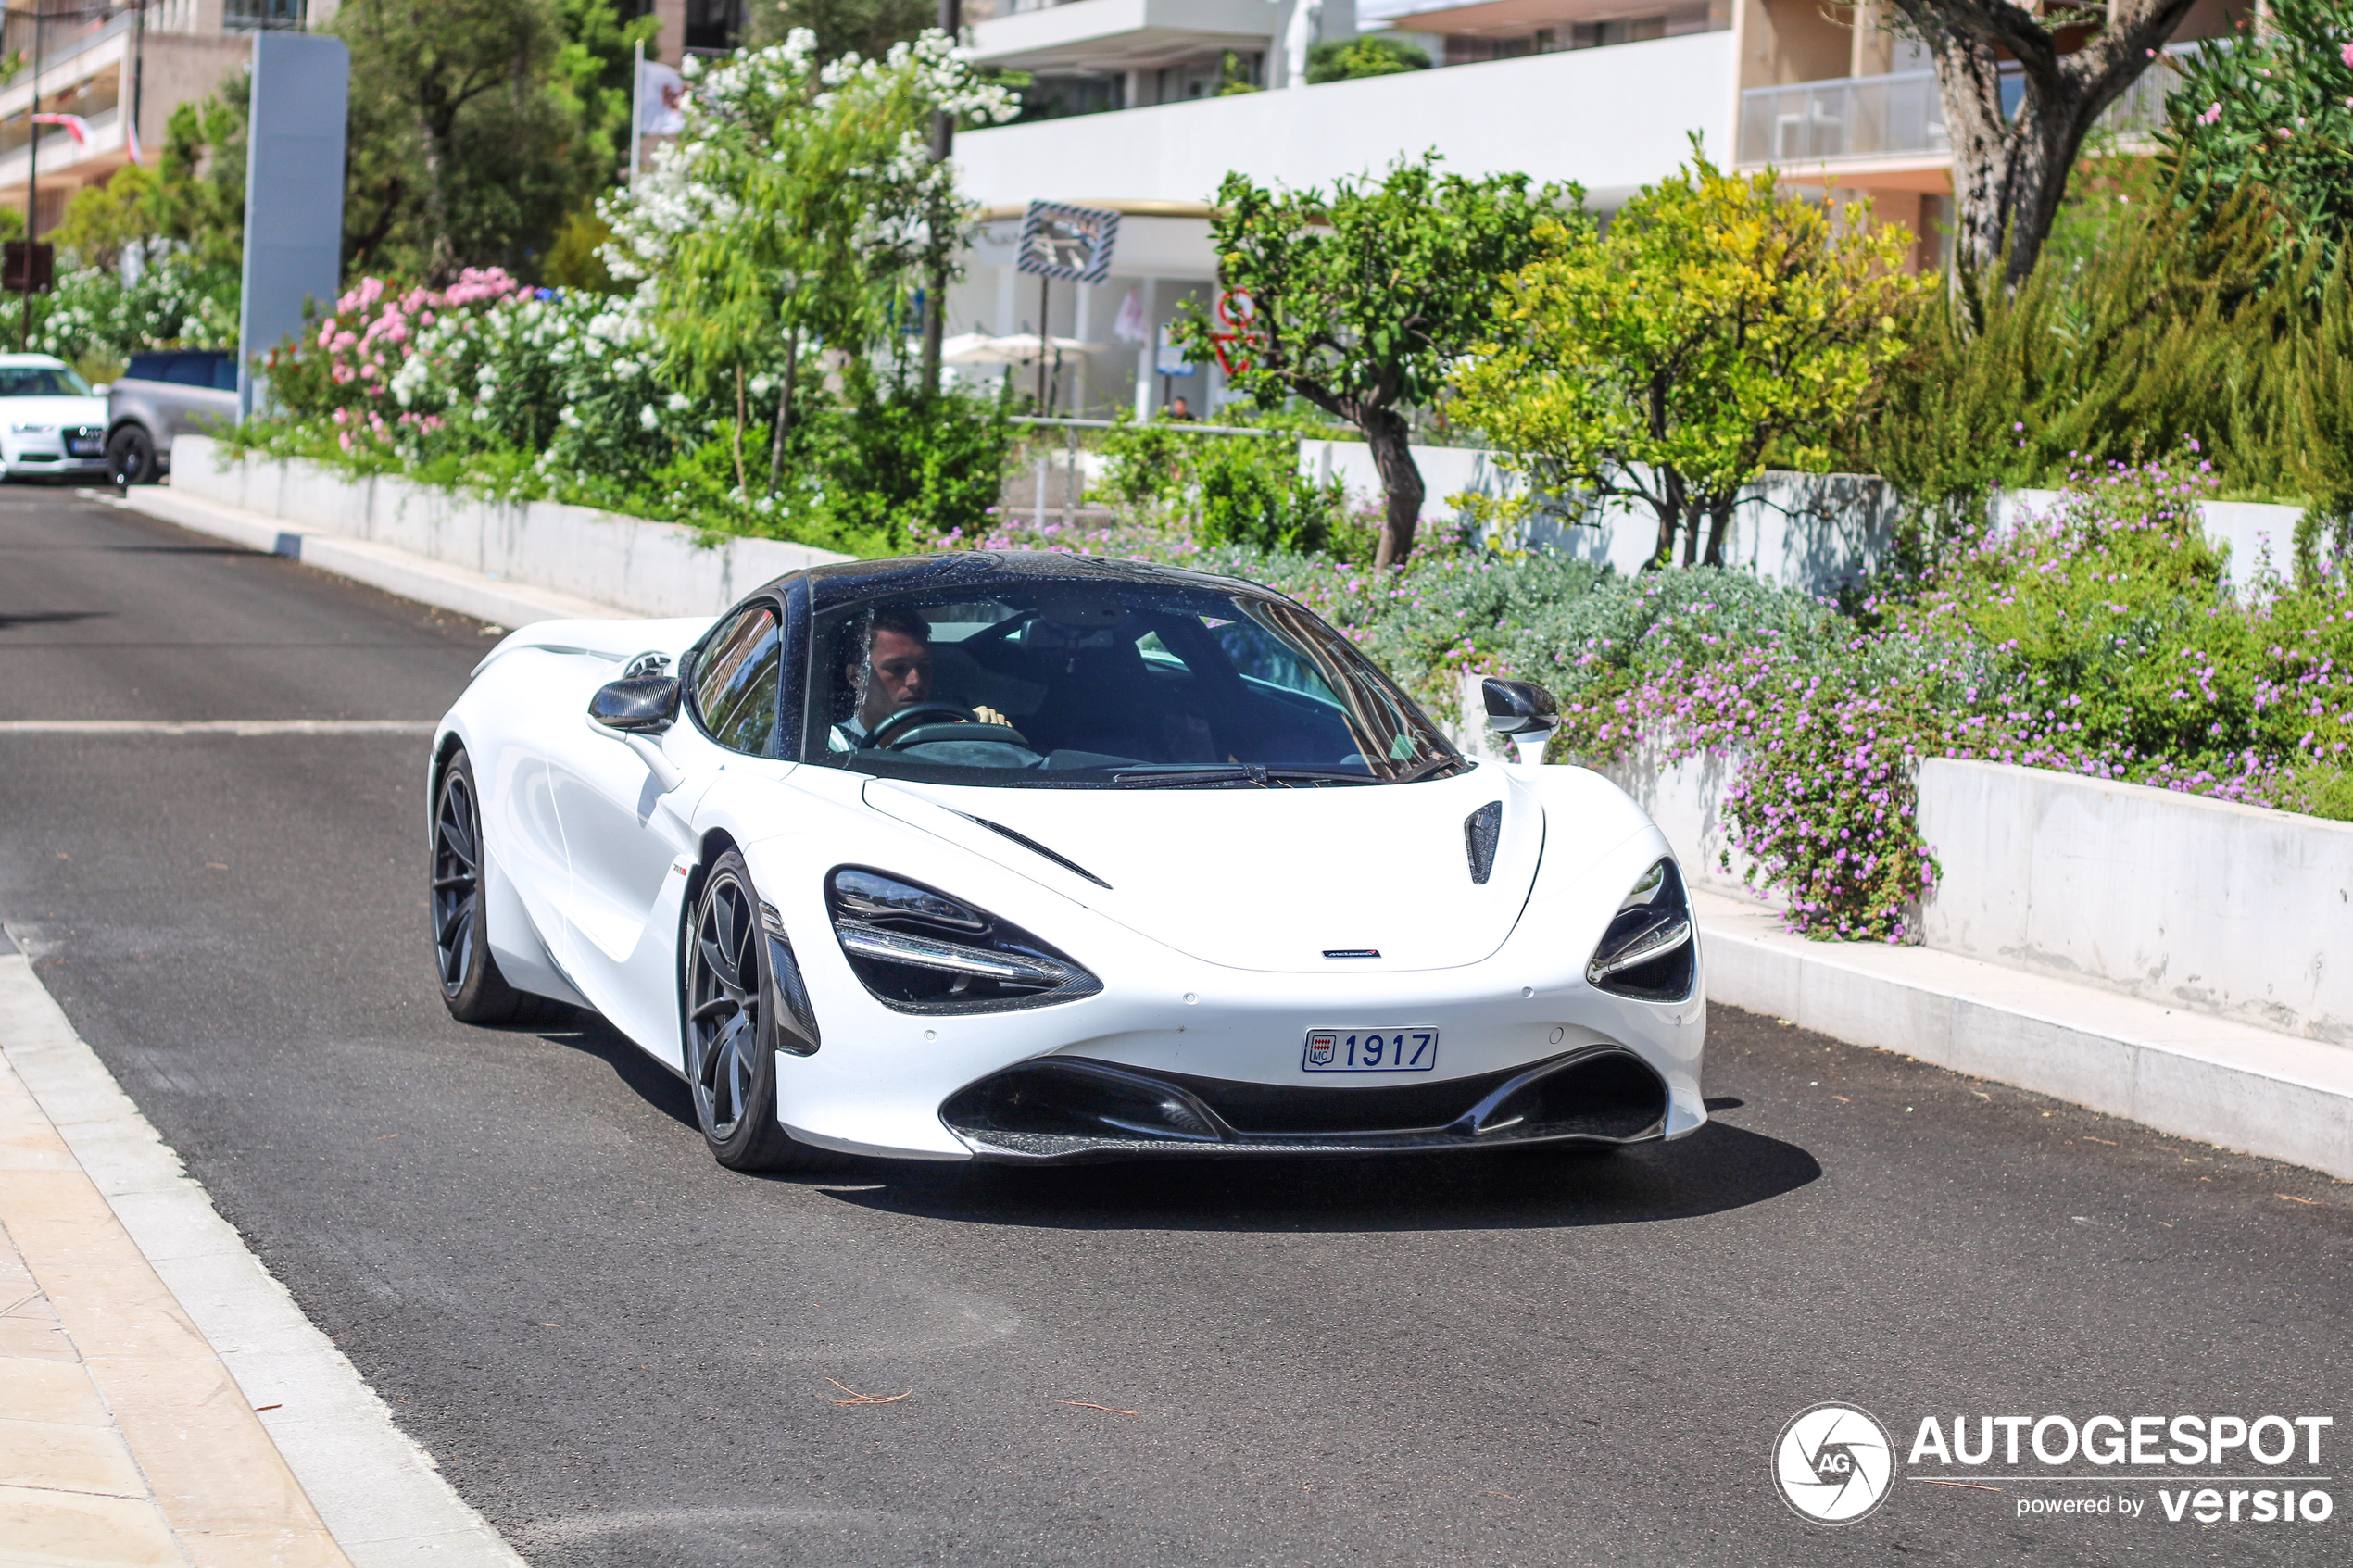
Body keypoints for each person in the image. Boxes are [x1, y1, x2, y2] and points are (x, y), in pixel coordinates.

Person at [836, 607, 1009, 748]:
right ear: (855, 676)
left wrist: (985, 739)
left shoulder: (949, 736)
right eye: (897, 668)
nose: (916, 681)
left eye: (924, 667)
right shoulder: (833, 749)